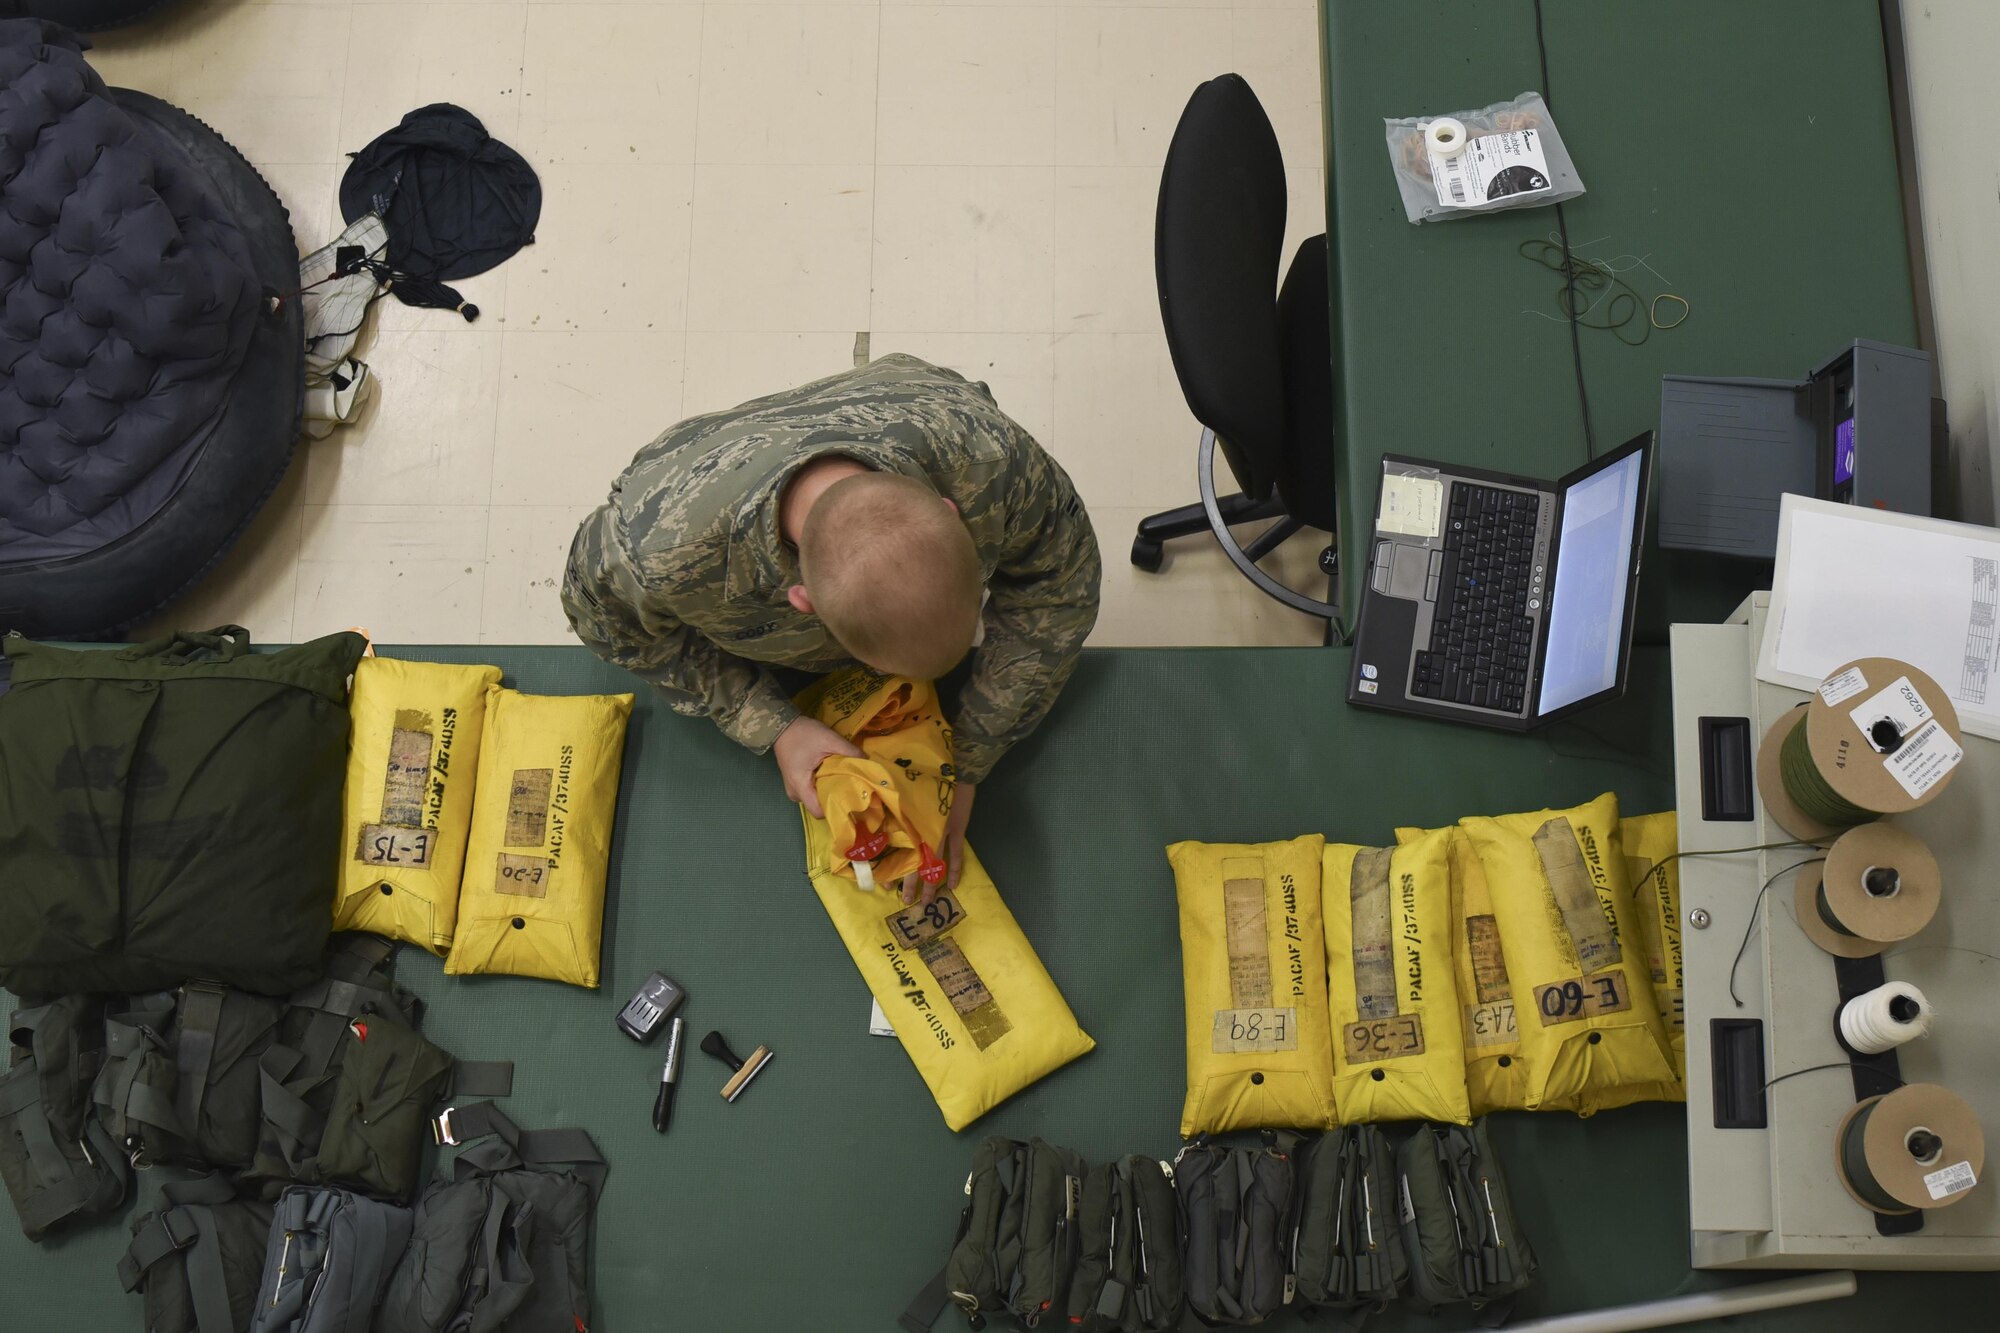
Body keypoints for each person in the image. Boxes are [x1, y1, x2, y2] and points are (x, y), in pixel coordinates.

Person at [563, 354, 1101, 903]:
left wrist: (967, 762)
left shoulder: (989, 458)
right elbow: (609, 627)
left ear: (950, 510)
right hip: (702, 482)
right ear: (802, 602)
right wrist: (772, 724)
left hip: (912, 406)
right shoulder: (659, 552)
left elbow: (1060, 589)